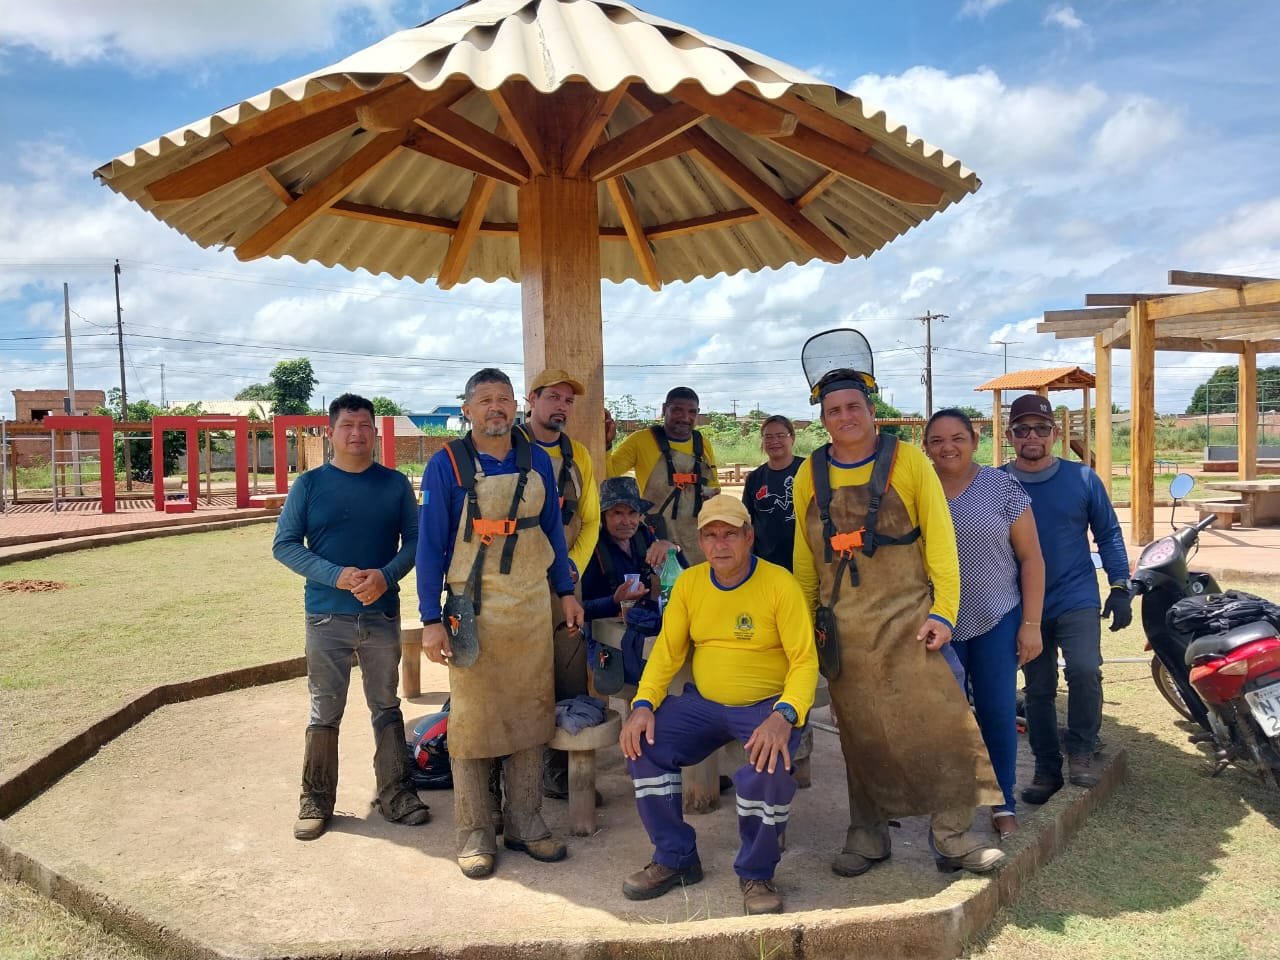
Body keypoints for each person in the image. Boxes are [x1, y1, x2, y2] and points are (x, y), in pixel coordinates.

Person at [792, 368, 1004, 877]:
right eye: (834, 411)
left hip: (911, 623)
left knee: (942, 728)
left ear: (871, 408)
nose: (845, 417)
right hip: (843, 631)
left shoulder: (907, 461)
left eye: (853, 407)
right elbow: (805, 558)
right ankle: (867, 836)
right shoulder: (809, 473)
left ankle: (952, 838)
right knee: (861, 736)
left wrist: (943, 613)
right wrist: (807, 629)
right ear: (823, 419)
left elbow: (940, 540)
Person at [415, 368, 585, 879]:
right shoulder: (447, 465)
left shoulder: (536, 459)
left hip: (533, 607)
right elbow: (430, 547)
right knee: (472, 722)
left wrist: (567, 592)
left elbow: (553, 534)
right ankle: (474, 829)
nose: (496, 407)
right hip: (473, 610)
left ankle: (526, 820)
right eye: (485, 400)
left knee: (532, 714)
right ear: (466, 409)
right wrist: (429, 619)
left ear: (516, 406)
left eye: (504, 399)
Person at [619, 496, 818, 916]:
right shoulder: (691, 584)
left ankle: (756, 872)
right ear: (700, 542)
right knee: (643, 744)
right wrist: (642, 704)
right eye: (710, 535)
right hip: (704, 704)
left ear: (749, 537)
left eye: (730, 534)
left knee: (768, 769)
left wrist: (785, 715)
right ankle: (675, 858)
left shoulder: (779, 584)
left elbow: (804, 661)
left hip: (767, 707)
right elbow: (667, 653)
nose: (720, 544)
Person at [272, 393, 430, 841]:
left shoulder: (395, 483)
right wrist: (337, 576)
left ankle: (397, 794)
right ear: (330, 433)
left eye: (365, 426)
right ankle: (316, 800)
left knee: (386, 704)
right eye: (347, 426)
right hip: (326, 616)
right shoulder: (309, 485)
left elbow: (415, 542)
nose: (357, 433)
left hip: (381, 614)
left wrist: (385, 575)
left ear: (375, 434)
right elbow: (284, 545)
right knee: (325, 709)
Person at [1000, 393, 1131, 804]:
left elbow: (1108, 533)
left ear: (1055, 434)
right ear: (1010, 436)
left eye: (1040, 428)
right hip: (1023, 605)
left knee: (1085, 670)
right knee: (1037, 687)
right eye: (1023, 429)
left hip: (1076, 596)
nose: (1032, 436)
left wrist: (1121, 585)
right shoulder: (997, 483)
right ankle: (1046, 765)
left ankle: (1081, 749)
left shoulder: (1082, 479)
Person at [924, 408, 1046, 839]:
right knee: (948, 720)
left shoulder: (1000, 487)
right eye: (937, 440)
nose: (947, 447)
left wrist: (1031, 624)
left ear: (974, 440)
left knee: (996, 713)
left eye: (957, 437)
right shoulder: (919, 491)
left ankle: (1002, 804)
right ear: (926, 448)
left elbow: (1031, 558)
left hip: (996, 615)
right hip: (940, 624)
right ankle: (951, 806)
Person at [517, 368, 602, 799]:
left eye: (568, 401)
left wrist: (573, 566)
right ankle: (519, 778)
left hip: (567, 584)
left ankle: (561, 775)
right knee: (524, 675)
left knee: (570, 675)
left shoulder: (579, 456)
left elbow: (591, 519)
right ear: (532, 399)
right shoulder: (508, 449)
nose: (561, 407)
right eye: (553, 397)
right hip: (519, 585)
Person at [606, 387, 720, 563]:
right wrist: (606, 444)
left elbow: (713, 488)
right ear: (664, 408)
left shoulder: (702, 444)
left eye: (691, 412)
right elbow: (610, 473)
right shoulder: (641, 441)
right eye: (677, 410)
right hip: (656, 536)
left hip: (695, 537)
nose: (685, 417)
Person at [742, 415, 803, 571]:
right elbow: (748, 523)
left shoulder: (808, 470)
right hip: (766, 562)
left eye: (781, 436)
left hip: (805, 561)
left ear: (792, 438)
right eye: (768, 437)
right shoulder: (754, 478)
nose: (774, 441)